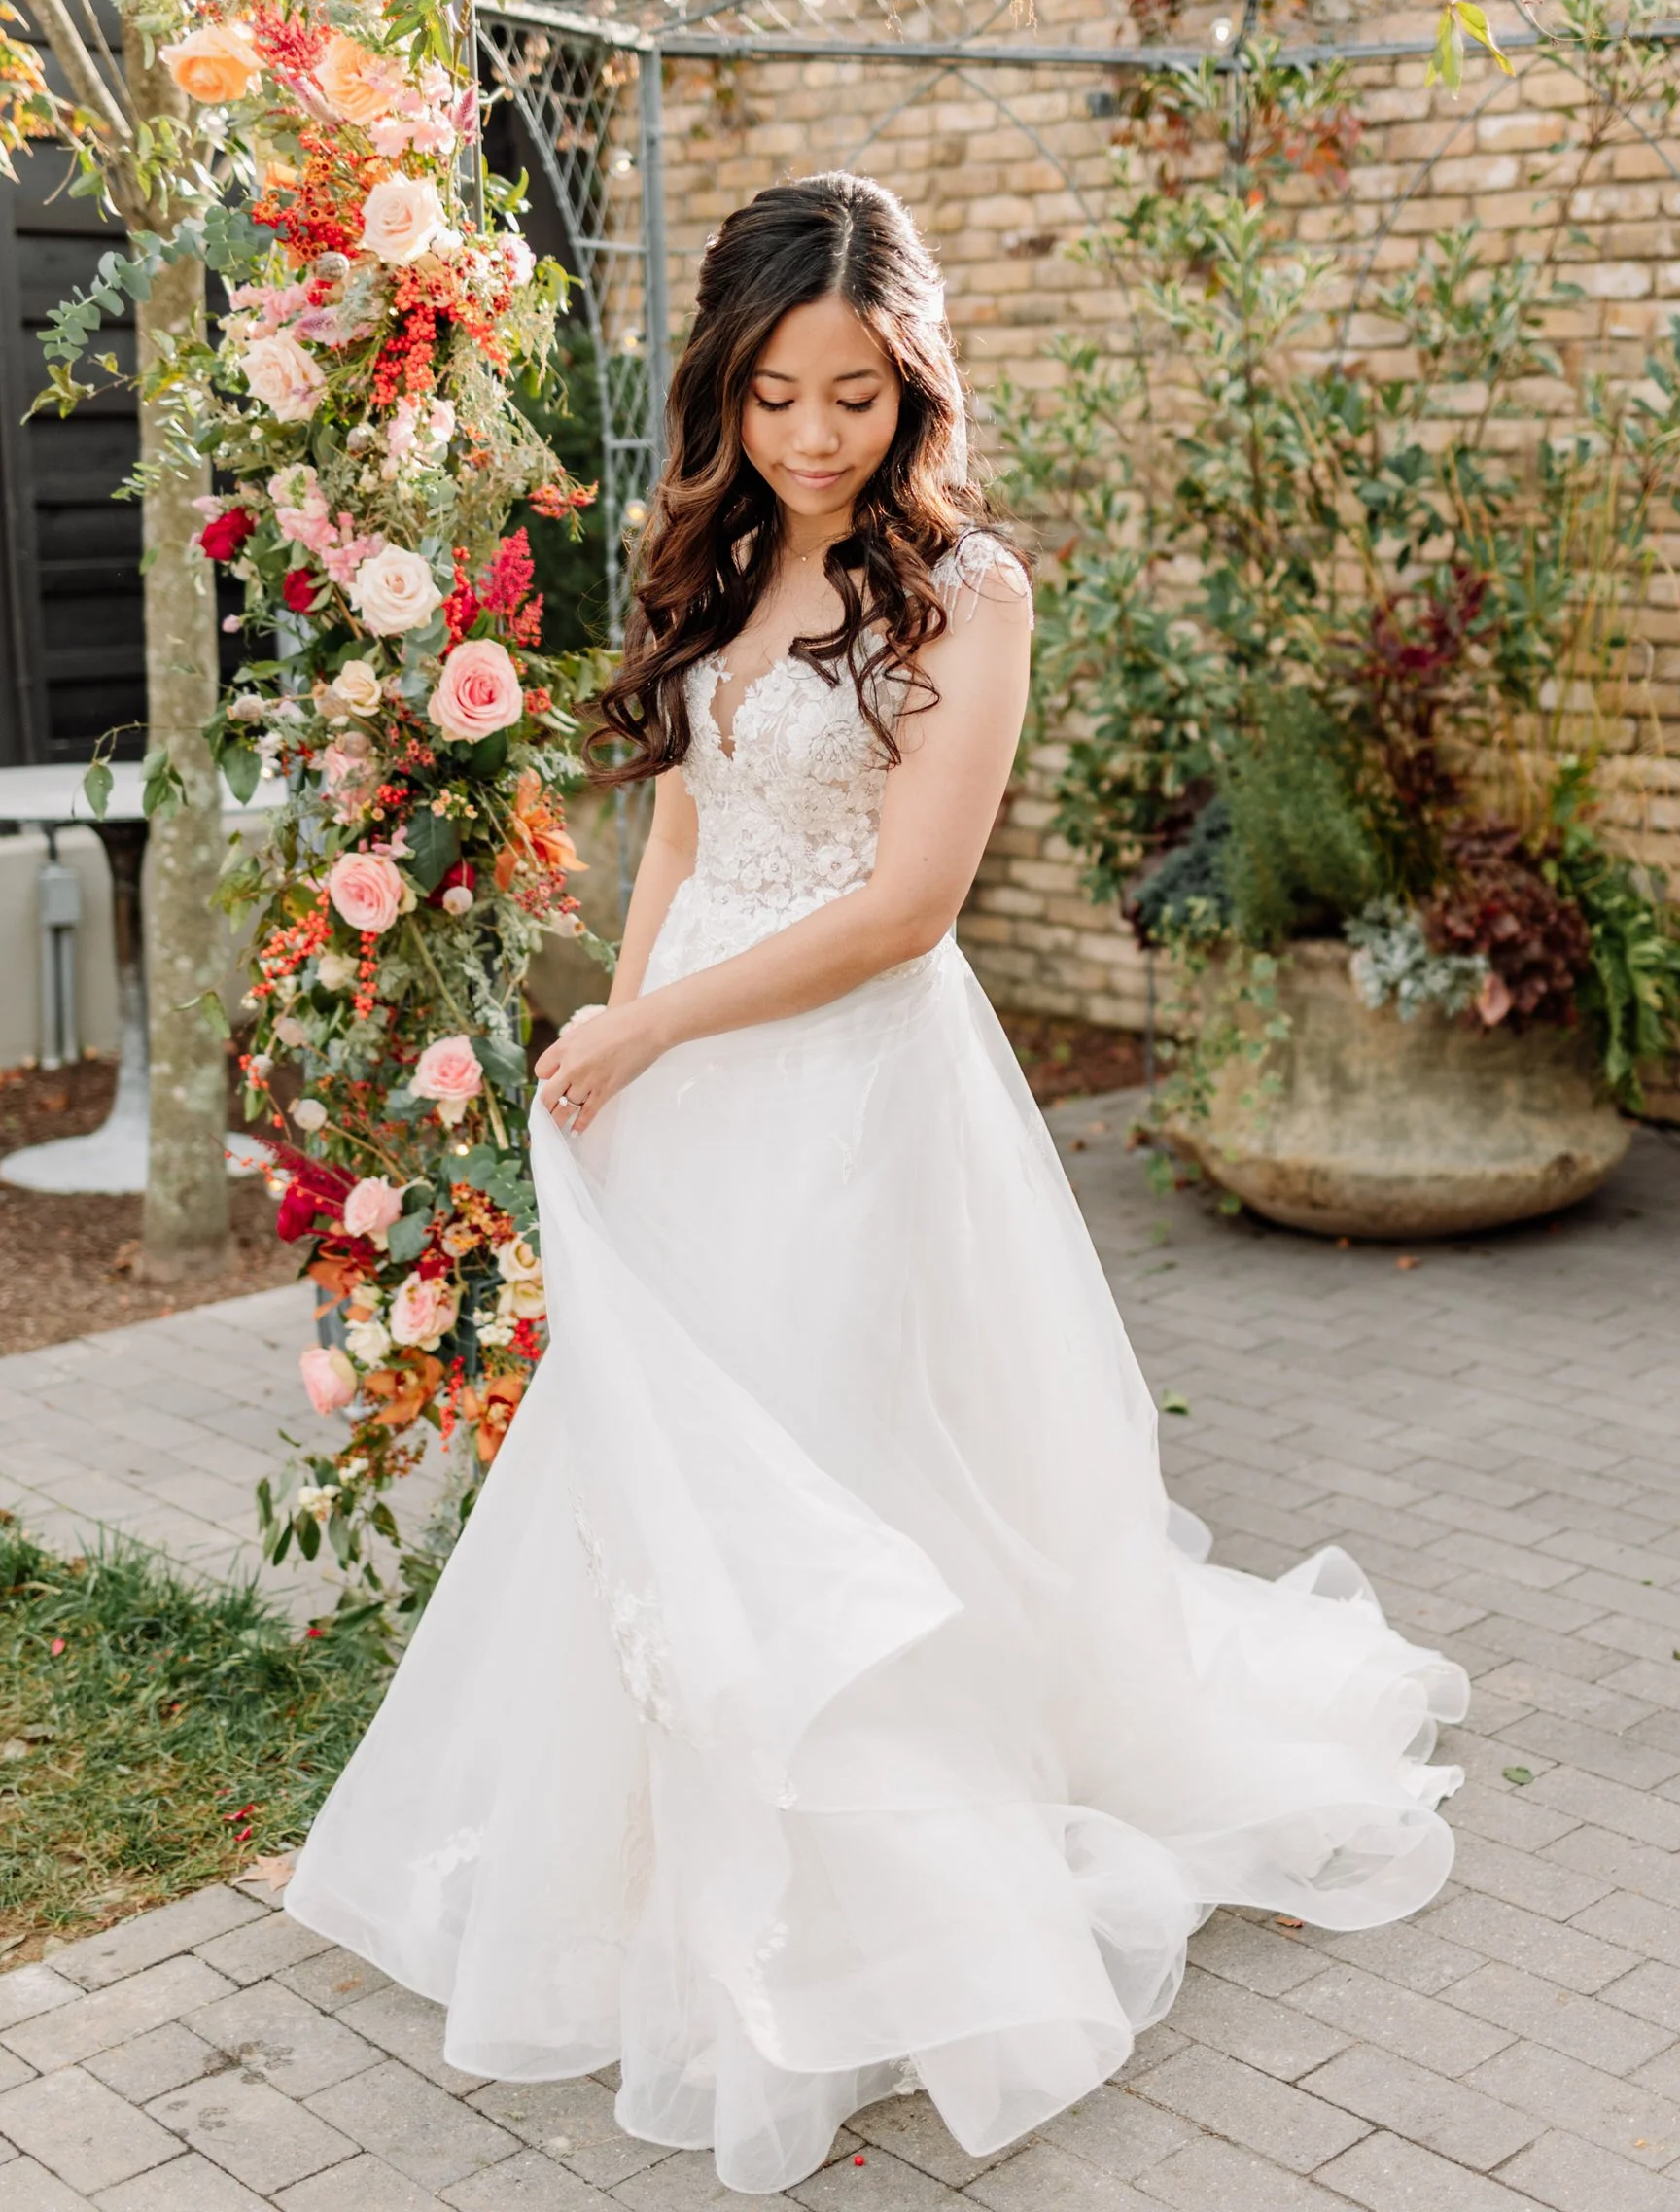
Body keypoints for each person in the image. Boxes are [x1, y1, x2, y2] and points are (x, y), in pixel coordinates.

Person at [286, 171, 1468, 2194]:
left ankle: (885, 1909)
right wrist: (627, 1035)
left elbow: (907, 912)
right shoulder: (721, 569)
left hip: (848, 1086)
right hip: (686, 1087)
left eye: (851, 396)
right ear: (724, 397)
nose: (813, 438)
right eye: (772, 398)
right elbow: (676, 837)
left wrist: (658, 1028)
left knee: (843, 1474)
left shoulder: (967, 590)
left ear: (911, 383)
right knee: (677, 1488)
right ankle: (669, 1872)